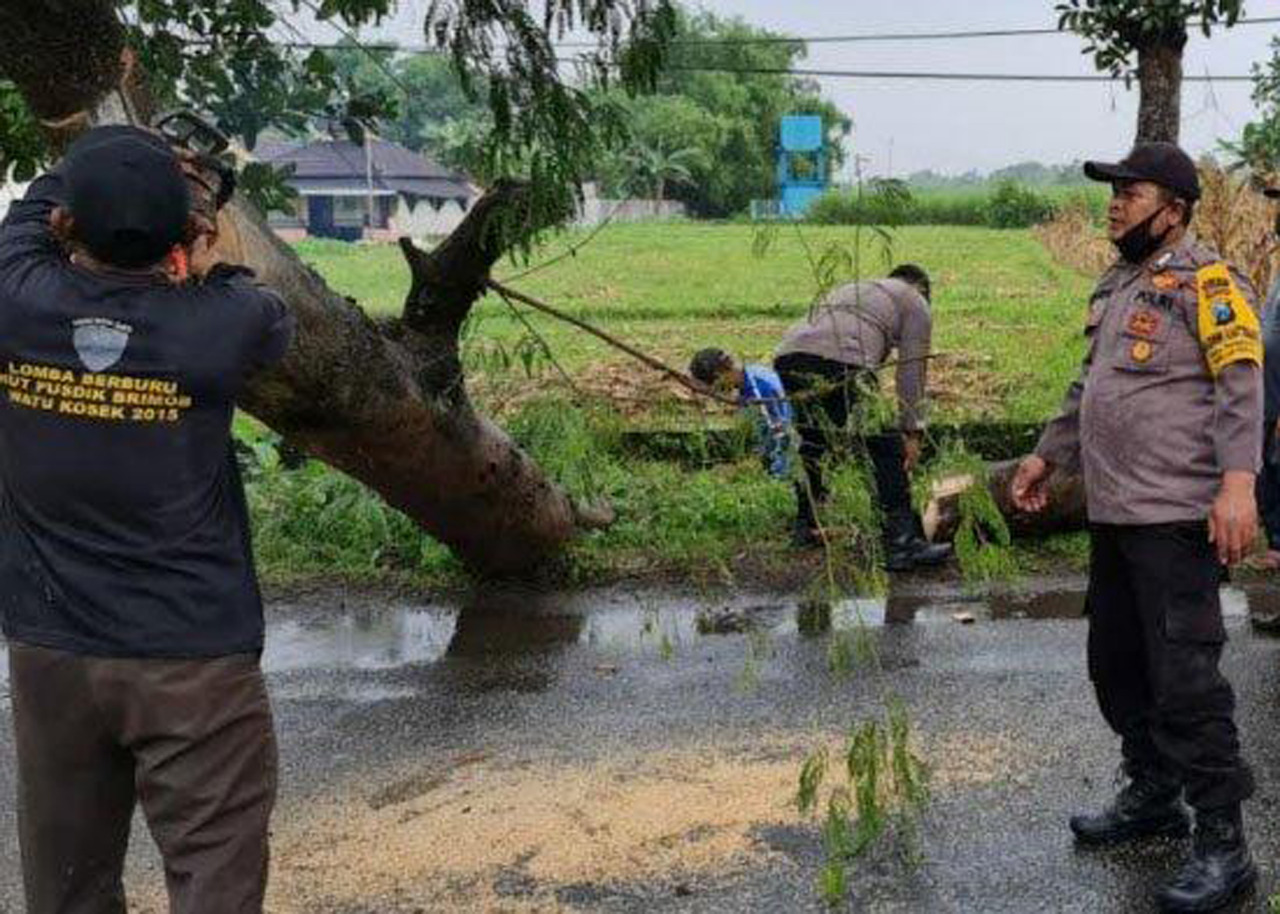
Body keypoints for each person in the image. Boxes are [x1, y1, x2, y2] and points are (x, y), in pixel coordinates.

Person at [0, 125, 294, 912]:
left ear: (68, 228)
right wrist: (199, 246)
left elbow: (30, 214)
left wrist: (105, 162)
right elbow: (268, 309)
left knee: (67, 892)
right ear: (185, 234)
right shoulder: (222, 322)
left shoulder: (15, 298)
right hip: (192, 656)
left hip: (50, 650)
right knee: (214, 885)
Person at [1010, 142, 1259, 912]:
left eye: (1131, 191)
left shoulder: (1210, 282)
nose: (1114, 203)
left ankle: (1225, 848)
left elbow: (1242, 386)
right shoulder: (1118, 283)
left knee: (1187, 684)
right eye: (1113, 191)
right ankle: (1152, 792)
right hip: (1115, 516)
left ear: (1174, 209)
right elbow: (1091, 385)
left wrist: (1238, 488)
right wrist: (1048, 456)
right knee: (1117, 666)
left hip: (1176, 517)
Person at [773, 263, 952, 571]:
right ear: (922, 288)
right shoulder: (915, 300)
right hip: (841, 359)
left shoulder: (857, 288)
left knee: (814, 440)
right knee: (885, 447)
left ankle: (806, 524)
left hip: (789, 355)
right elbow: (912, 371)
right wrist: (911, 432)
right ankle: (901, 544)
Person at [688, 348, 793, 479]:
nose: (716, 392)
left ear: (719, 375)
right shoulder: (751, 374)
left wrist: (776, 476)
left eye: (714, 387)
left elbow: (782, 437)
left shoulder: (759, 391)